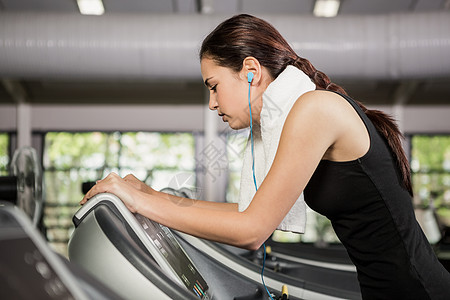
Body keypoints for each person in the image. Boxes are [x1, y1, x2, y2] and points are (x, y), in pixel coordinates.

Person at [81, 14, 450, 299]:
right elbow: (248, 211)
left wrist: (141, 203)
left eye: (214, 87)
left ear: (251, 72)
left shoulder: (314, 110)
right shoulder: (298, 113)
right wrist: (148, 196)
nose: (212, 103)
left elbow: (252, 230)